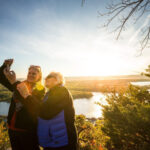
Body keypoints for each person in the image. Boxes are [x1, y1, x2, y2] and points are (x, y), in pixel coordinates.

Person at [15, 72, 79, 150]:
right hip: (53, 142)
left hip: (63, 143)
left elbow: (45, 112)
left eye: (49, 76)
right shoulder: (50, 93)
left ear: (58, 80)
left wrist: (27, 95)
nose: (46, 78)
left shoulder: (61, 91)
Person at [0, 59, 45, 150]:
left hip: (27, 131)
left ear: (39, 76)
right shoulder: (21, 84)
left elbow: (33, 106)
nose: (30, 75)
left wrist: (14, 83)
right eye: (29, 73)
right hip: (13, 129)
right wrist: (5, 66)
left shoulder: (40, 89)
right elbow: (1, 78)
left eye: (34, 73)